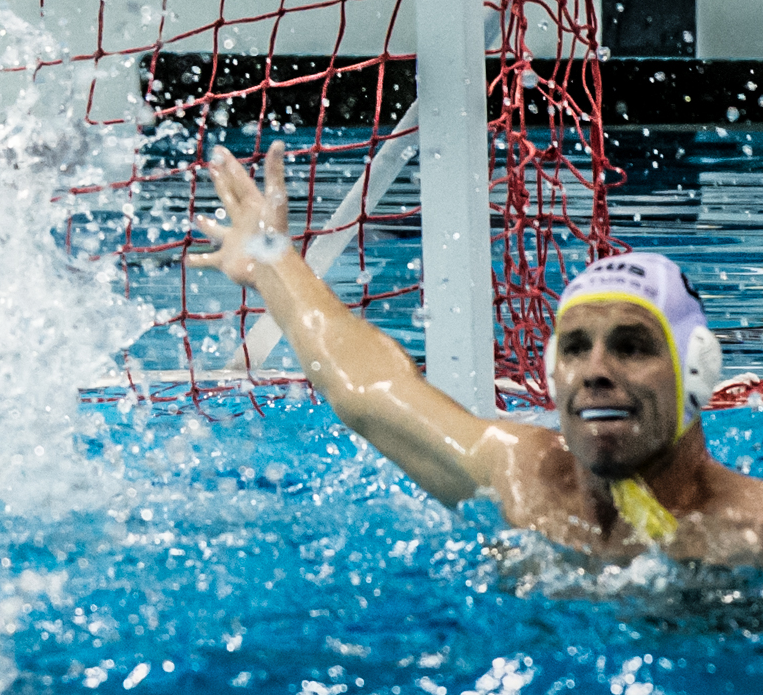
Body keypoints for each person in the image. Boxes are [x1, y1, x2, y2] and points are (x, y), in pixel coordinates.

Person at [192, 143, 763, 565]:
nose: (595, 372)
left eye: (631, 347)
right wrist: (272, 260)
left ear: (697, 369)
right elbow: (367, 392)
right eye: (574, 349)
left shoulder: (749, 536)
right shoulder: (523, 480)